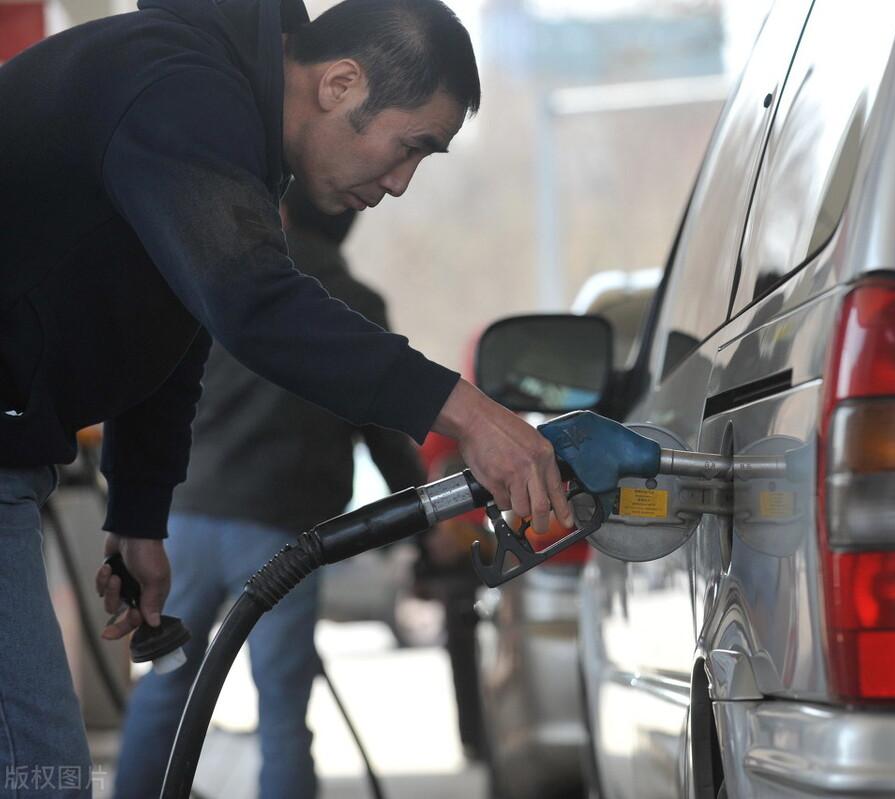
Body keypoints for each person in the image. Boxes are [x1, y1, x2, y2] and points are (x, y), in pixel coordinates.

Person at [0, 0, 571, 792]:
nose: (402, 184)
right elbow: (250, 305)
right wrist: (471, 413)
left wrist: (138, 510)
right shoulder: (183, 87)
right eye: (410, 148)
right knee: (37, 770)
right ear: (341, 83)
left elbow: (178, 320)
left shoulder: (220, 126)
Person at [112, 187, 426, 798]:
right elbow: (386, 429)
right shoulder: (356, 303)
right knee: (282, 712)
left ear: (281, 211)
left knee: (167, 684)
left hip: (189, 521)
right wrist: (423, 520)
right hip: (283, 537)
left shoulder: (228, 281)